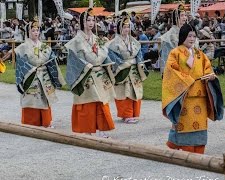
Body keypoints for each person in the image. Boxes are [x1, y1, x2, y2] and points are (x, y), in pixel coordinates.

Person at [162, 23, 223, 154]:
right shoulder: (175, 53)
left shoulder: (200, 54)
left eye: (194, 36)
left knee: (200, 124)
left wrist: (210, 76)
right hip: (185, 96)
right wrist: (187, 80)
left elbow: (207, 68)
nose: (192, 39)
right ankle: (185, 147)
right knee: (185, 123)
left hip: (200, 95)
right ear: (183, 36)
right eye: (189, 36)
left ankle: (199, 148)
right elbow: (171, 71)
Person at [64, 8, 116, 137]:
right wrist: (87, 65)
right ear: (82, 22)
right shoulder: (76, 41)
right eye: (88, 20)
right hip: (85, 74)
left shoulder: (97, 39)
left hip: (99, 73)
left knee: (102, 101)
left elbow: (105, 54)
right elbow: (74, 60)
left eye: (93, 20)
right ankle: (86, 128)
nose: (91, 22)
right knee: (88, 102)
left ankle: (102, 129)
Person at [15, 19, 65, 127]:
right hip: (31, 76)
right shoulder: (22, 48)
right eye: (33, 30)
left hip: (43, 75)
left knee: (44, 98)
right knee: (31, 98)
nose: (36, 33)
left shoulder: (45, 47)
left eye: (37, 30)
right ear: (28, 32)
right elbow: (20, 65)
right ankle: (30, 122)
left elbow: (51, 61)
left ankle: (46, 122)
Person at [108, 16, 149, 124]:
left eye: (128, 27)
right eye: (124, 27)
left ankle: (133, 113)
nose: (126, 29)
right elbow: (112, 56)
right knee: (124, 92)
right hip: (123, 69)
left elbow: (139, 54)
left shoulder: (134, 41)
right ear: (119, 28)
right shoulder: (113, 43)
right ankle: (126, 115)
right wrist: (123, 63)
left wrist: (138, 62)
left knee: (135, 91)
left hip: (134, 69)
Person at [159, 4, 187, 74]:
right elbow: (166, 56)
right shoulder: (168, 36)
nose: (185, 18)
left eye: (185, 15)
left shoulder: (187, 31)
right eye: (182, 15)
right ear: (176, 18)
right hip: (174, 66)